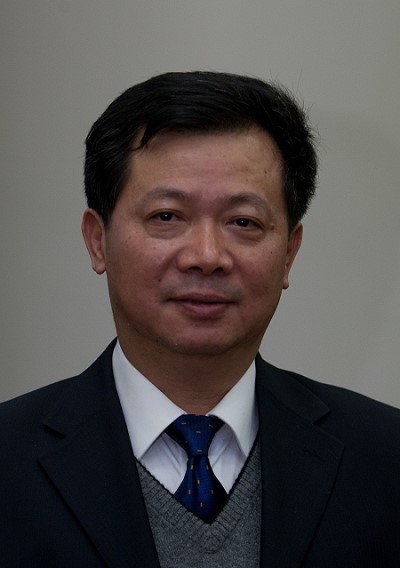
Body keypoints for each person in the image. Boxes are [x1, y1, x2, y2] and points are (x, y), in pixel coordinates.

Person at [1, 72, 399, 568]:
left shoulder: (385, 456)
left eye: (243, 222)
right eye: (167, 217)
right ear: (97, 240)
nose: (207, 256)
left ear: (289, 254)